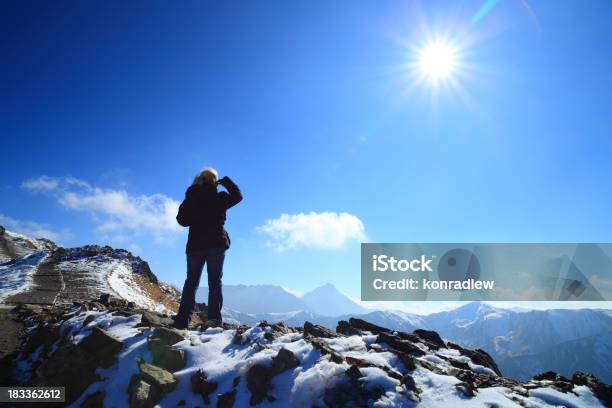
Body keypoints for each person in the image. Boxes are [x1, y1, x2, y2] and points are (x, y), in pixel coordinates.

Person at [174, 168, 242, 329]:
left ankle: (183, 320)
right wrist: (225, 181)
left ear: (200, 180)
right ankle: (214, 320)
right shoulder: (219, 197)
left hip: (195, 245)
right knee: (215, 282)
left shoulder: (191, 198)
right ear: (214, 181)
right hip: (216, 244)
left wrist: (191, 195)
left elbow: (181, 220)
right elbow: (238, 196)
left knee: (191, 282)